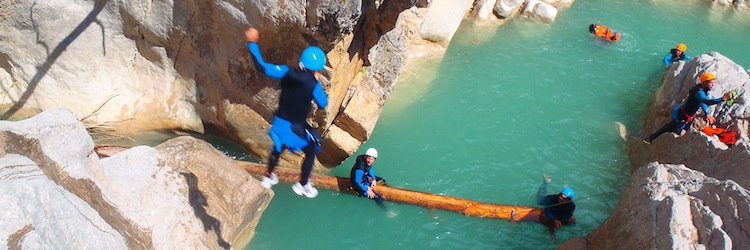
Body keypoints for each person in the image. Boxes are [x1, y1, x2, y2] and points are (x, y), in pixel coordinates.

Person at [245, 27, 329, 198]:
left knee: (279, 145)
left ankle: (268, 176)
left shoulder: (285, 71)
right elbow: (323, 103)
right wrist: (315, 83)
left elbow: (260, 66)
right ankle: (303, 184)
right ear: (317, 69)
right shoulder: (314, 84)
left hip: (278, 123)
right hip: (294, 127)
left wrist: (253, 42)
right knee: (312, 149)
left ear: (301, 63)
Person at [645, 72, 734, 143]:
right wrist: (723, 98)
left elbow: (701, 102)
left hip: (688, 114)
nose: (713, 85)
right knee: (670, 127)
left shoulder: (702, 90)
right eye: (711, 83)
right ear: (704, 83)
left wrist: (707, 113)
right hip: (683, 115)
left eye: (713, 83)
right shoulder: (699, 92)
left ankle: (678, 131)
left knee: (682, 126)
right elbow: (706, 101)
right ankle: (652, 137)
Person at [536, 175, 576, 242]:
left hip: (559, 210)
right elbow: (547, 209)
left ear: (569, 200)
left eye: (565, 199)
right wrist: (554, 219)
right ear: (559, 195)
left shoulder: (571, 206)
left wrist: (561, 221)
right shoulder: (552, 199)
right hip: (547, 202)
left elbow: (568, 215)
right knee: (539, 201)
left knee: (572, 223)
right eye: (561, 196)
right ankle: (546, 182)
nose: (562, 199)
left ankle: (565, 186)